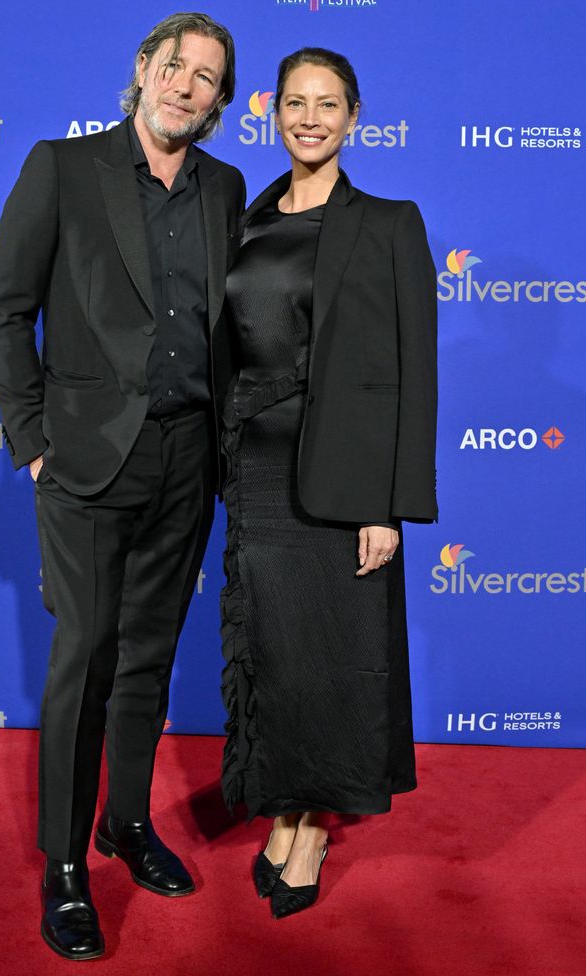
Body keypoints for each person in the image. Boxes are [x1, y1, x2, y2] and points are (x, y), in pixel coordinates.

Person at [0, 13, 245, 960]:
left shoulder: (224, 188)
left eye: (206, 77)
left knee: (147, 658)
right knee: (86, 657)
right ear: (142, 71)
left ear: (219, 101)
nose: (185, 85)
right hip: (88, 459)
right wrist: (33, 441)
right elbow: (8, 310)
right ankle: (63, 866)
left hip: (187, 459)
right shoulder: (62, 166)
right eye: (173, 66)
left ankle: (123, 824)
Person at [219, 47, 437, 920]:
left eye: (329, 104)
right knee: (276, 650)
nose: (310, 118)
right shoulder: (242, 217)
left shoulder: (388, 222)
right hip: (254, 470)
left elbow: (411, 373)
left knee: (334, 658)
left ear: (354, 115)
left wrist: (389, 505)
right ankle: (282, 804)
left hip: (340, 480)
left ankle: (311, 826)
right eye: (295, 103)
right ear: (272, 112)